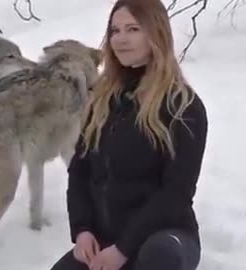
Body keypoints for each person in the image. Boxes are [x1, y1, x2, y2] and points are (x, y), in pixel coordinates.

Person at [50, 0, 208, 269]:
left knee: (159, 256)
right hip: (106, 240)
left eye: (133, 29)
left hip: (164, 238)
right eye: (115, 30)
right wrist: (83, 229)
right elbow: (79, 171)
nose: (120, 39)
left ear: (155, 33)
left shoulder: (183, 107)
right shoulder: (101, 101)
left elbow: (177, 193)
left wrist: (124, 248)